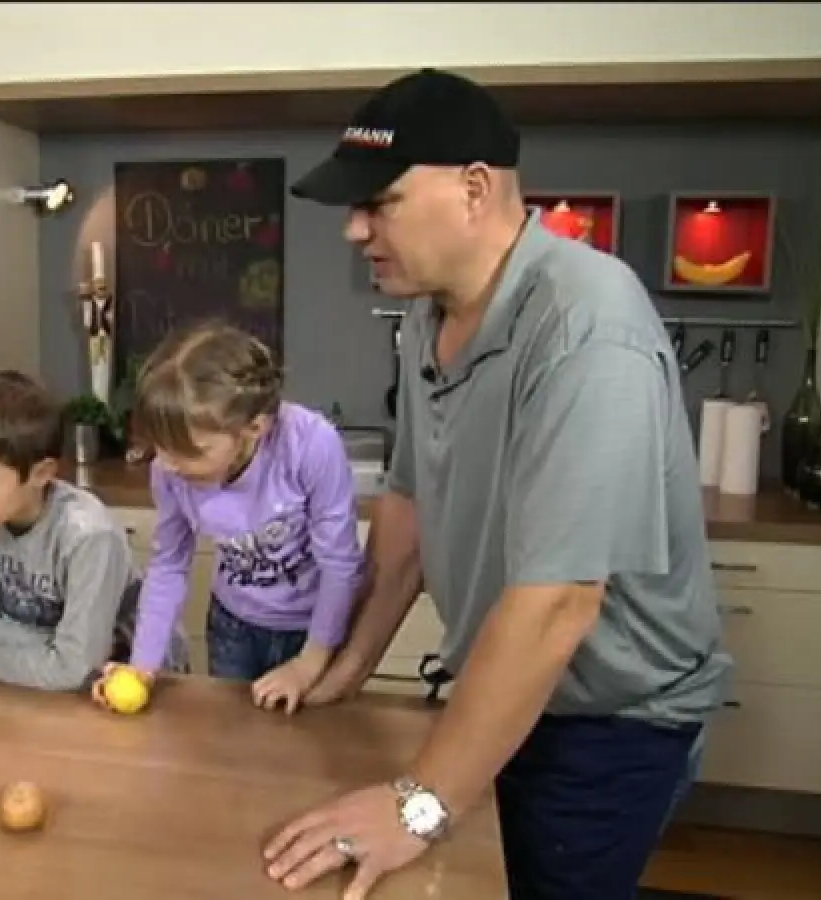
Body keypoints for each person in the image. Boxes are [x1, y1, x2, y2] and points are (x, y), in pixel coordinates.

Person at [260, 69, 731, 900]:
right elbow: (408, 501)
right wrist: (348, 663)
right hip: (504, 689)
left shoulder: (589, 326)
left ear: (474, 188)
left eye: (382, 202)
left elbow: (559, 603)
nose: (355, 230)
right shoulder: (424, 313)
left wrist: (418, 805)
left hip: (609, 726)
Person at [90, 320, 363, 714]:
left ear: (254, 428)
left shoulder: (309, 444)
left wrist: (309, 663)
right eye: (160, 448)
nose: (166, 465)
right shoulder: (169, 469)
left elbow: (340, 564)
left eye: (190, 451)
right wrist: (142, 668)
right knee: (234, 743)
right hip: (232, 625)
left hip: (312, 630)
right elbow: (168, 566)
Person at [0, 370, 186, 692]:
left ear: (42, 473)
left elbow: (77, 670)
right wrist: (52, 652)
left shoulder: (89, 536)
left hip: (129, 685)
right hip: (37, 685)